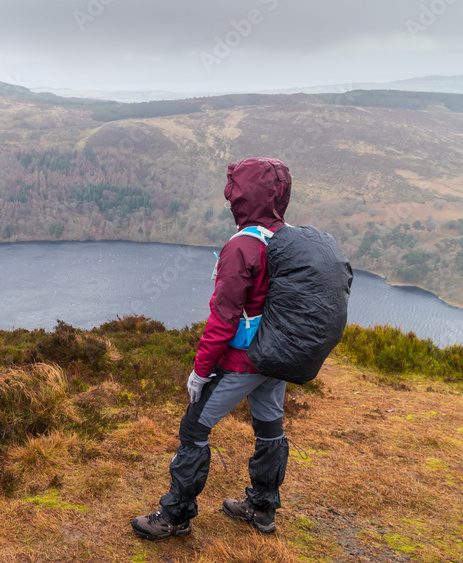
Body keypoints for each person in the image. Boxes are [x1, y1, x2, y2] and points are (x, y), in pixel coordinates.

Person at [132, 157, 292, 540]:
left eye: (234, 194)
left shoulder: (241, 247)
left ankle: (176, 516)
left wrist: (201, 370)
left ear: (244, 197)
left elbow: (224, 318)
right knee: (270, 428)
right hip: (278, 356)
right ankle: (262, 509)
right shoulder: (289, 239)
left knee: (194, 429)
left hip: (243, 360)